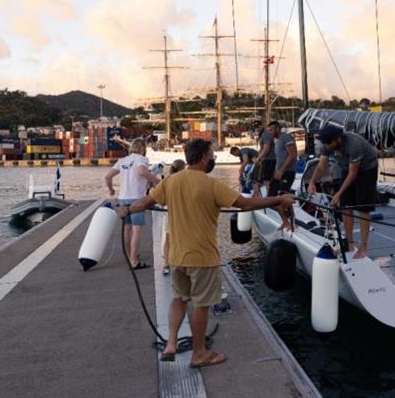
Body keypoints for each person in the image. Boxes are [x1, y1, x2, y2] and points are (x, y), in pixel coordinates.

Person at [118, 139, 294, 368]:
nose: (213, 159)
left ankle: (171, 343)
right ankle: (199, 353)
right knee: (201, 305)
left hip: (178, 257)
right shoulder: (211, 185)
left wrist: (127, 210)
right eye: (212, 155)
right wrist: (279, 199)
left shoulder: (171, 181)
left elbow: (146, 201)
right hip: (203, 258)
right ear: (202, 158)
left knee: (179, 299)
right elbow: (246, 205)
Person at [307, 124, 379, 259]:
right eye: (325, 143)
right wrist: (312, 182)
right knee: (346, 206)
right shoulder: (327, 144)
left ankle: (364, 246)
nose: (327, 146)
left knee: (363, 208)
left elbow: (353, 174)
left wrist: (338, 194)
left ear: (338, 139)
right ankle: (349, 245)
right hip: (347, 166)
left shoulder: (354, 144)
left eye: (329, 142)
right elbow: (321, 167)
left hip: (367, 169)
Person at [104, 138, 159, 269]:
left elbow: (107, 176)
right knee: (137, 229)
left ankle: (130, 256)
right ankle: (134, 261)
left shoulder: (122, 161)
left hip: (123, 198)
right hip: (137, 199)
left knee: (127, 228)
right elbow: (142, 171)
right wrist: (158, 182)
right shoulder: (141, 159)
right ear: (142, 149)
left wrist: (111, 189)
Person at [162, 159, 187, 276]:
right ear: (183, 168)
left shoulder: (167, 181)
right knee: (183, 239)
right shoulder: (185, 180)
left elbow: (161, 199)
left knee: (168, 240)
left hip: (170, 212)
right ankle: (182, 263)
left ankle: (166, 265)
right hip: (183, 214)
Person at [267, 121, 298, 197]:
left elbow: (292, 155)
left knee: (283, 196)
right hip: (278, 172)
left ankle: (286, 208)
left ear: (277, 128)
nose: (270, 132)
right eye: (269, 130)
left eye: (271, 130)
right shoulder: (278, 140)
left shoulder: (286, 137)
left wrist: (281, 170)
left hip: (287, 172)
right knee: (271, 195)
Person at [251, 120, 276, 197]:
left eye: (258, 126)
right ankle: (258, 196)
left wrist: (258, 159)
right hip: (266, 160)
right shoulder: (263, 135)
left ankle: (269, 198)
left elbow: (266, 148)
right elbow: (262, 149)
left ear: (262, 125)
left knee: (265, 180)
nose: (257, 128)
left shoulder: (265, 134)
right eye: (255, 127)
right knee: (259, 179)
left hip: (268, 160)